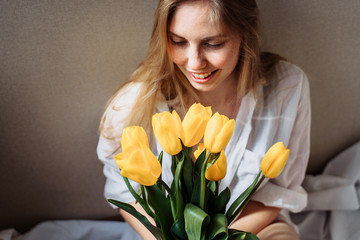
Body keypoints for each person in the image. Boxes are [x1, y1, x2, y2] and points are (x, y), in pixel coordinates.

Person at [97, 0, 311, 239]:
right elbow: (124, 191)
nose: (195, 62)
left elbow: (281, 190)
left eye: (213, 44)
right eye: (178, 41)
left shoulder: (286, 87)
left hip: (252, 228)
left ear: (245, 34)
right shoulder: (136, 103)